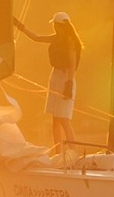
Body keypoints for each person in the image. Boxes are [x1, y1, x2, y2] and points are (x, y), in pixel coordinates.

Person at [13, 12, 82, 152]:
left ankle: (73, 151)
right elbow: (36, 38)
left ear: (60, 26)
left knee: (64, 119)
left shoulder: (70, 41)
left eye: (56, 25)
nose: (54, 27)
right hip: (55, 76)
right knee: (55, 120)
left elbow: (72, 64)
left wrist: (68, 84)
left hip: (66, 78)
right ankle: (58, 152)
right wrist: (19, 26)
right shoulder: (56, 38)